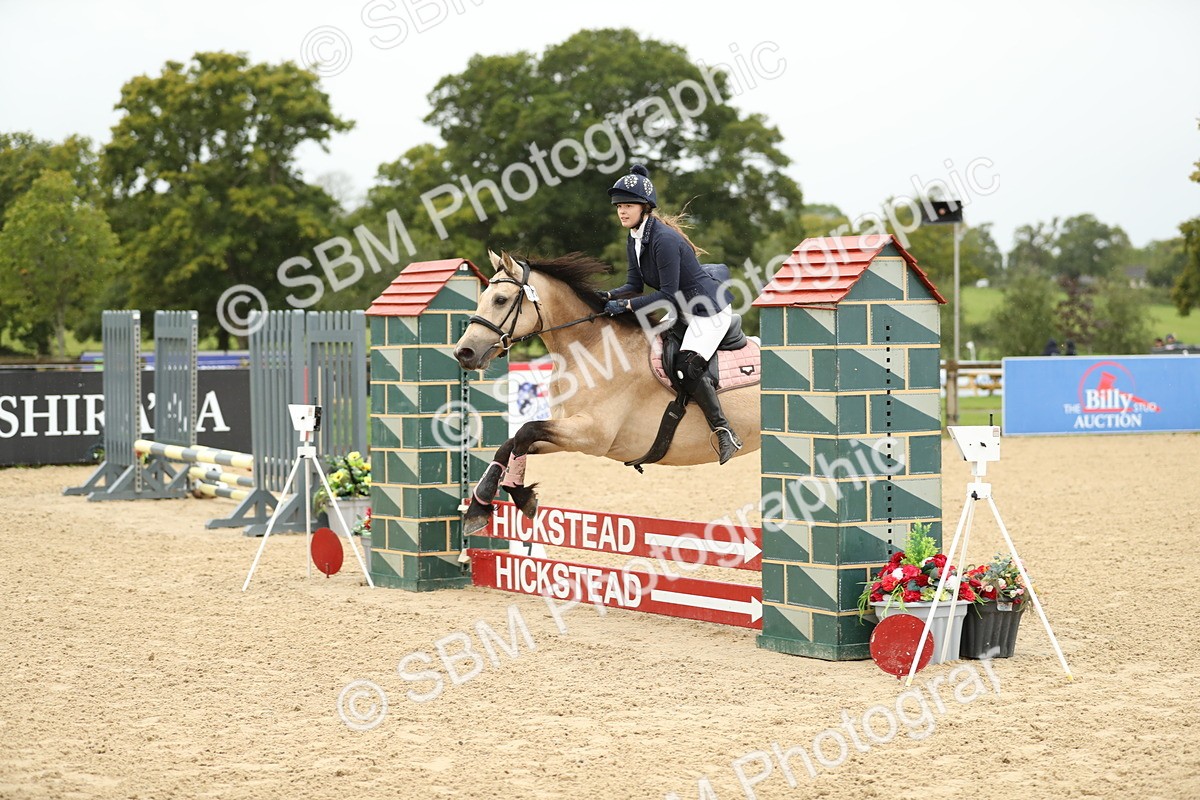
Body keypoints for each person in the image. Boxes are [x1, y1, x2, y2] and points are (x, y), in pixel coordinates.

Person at [599, 164, 743, 464]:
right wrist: (608, 296)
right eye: (619, 206)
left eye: (628, 206)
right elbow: (634, 284)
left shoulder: (663, 239)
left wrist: (624, 307)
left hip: (707, 310)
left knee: (686, 366)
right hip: (683, 308)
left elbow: (667, 293)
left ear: (645, 207)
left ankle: (724, 431)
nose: (622, 212)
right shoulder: (635, 237)